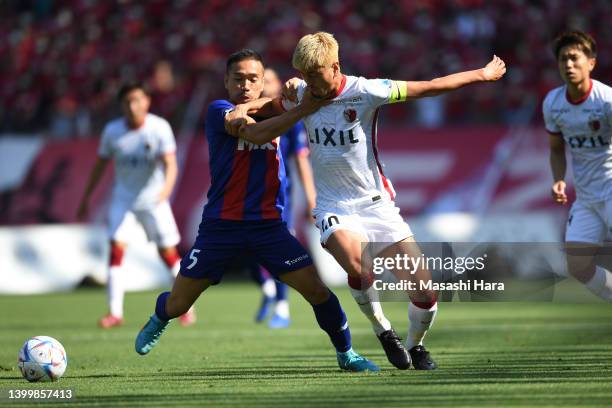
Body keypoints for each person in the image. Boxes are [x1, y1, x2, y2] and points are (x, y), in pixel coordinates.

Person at [232, 32, 506, 370]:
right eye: (303, 74)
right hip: (333, 206)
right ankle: (383, 330)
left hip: (376, 206)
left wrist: (480, 74)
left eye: (314, 74)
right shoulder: (303, 92)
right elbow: (270, 108)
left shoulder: (366, 91)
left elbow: (430, 86)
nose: (308, 82)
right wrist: (243, 108)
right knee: (357, 263)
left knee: (425, 293)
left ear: (335, 67)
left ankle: (415, 347)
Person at [134, 49, 379, 372]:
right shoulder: (219, 111)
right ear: (226, 81)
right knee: (178, 303)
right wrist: (301, 106)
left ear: (264, 82)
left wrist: (299, 92)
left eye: (253, 79)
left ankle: (346, 353)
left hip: (268, 227)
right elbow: (257, 132)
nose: (246, 86)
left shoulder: (283, 111)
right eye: (238, 79)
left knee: (317, 291)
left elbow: (308, 132)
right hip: (221, 225)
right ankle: (159, 316)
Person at [77, 81, 196, 328]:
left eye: (137, 100)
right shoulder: (112, 131)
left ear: (147, 102)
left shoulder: (158, 127)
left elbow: (170, 164)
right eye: (128, 101)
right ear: (121, 105)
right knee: (116, 252)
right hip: (124, 200)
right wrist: (87, 197)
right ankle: (115, 312)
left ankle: (185, 306)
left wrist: (165, 190)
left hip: (153, 200)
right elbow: (100, 166)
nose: (133, 106)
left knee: (168, 254)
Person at [544, 30, 612, 301]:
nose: (568, 65)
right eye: (563, 59)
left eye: (574, 58)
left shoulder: (606, 100)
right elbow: (557, 149)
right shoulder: (553, 103)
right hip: (585, 197)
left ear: (591, 63)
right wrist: (558, 179)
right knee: (578, 266)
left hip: (610, 188)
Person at [250, 67, 317, 328]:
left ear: (278, 85)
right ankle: (267, 289)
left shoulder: (290, 118)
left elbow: (300, 160)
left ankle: (282, 307)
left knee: (278, 248)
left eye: (268, 81)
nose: (263, 86)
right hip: (249, 194)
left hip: (279, 196)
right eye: (260, 81)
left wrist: (311, 198)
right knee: (249, 249)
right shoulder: (247, 115)